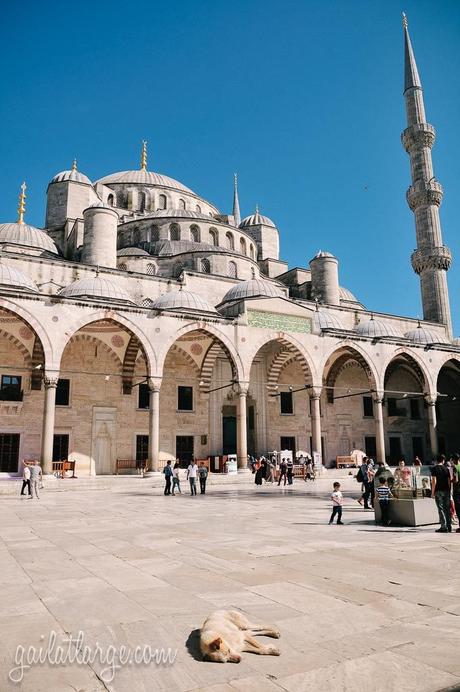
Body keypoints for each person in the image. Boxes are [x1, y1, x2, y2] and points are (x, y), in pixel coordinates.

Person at [431, 455, 452, 533]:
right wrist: (449, 491)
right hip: (446, 490)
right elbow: (449, 481)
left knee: (441, 508)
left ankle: (443, 526)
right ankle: (449, 526)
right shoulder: (447, 469)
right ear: (443, 460)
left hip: (438, 491)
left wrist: (432, 493)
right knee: (447, 508)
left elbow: (434, 481)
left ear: (436, 461)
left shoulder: (434, 469)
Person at [451, 453, 460, 533]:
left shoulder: (454, 467)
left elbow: (455, 480)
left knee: (458, 508)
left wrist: (450, 481)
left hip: (457, 490)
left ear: (454, 460)